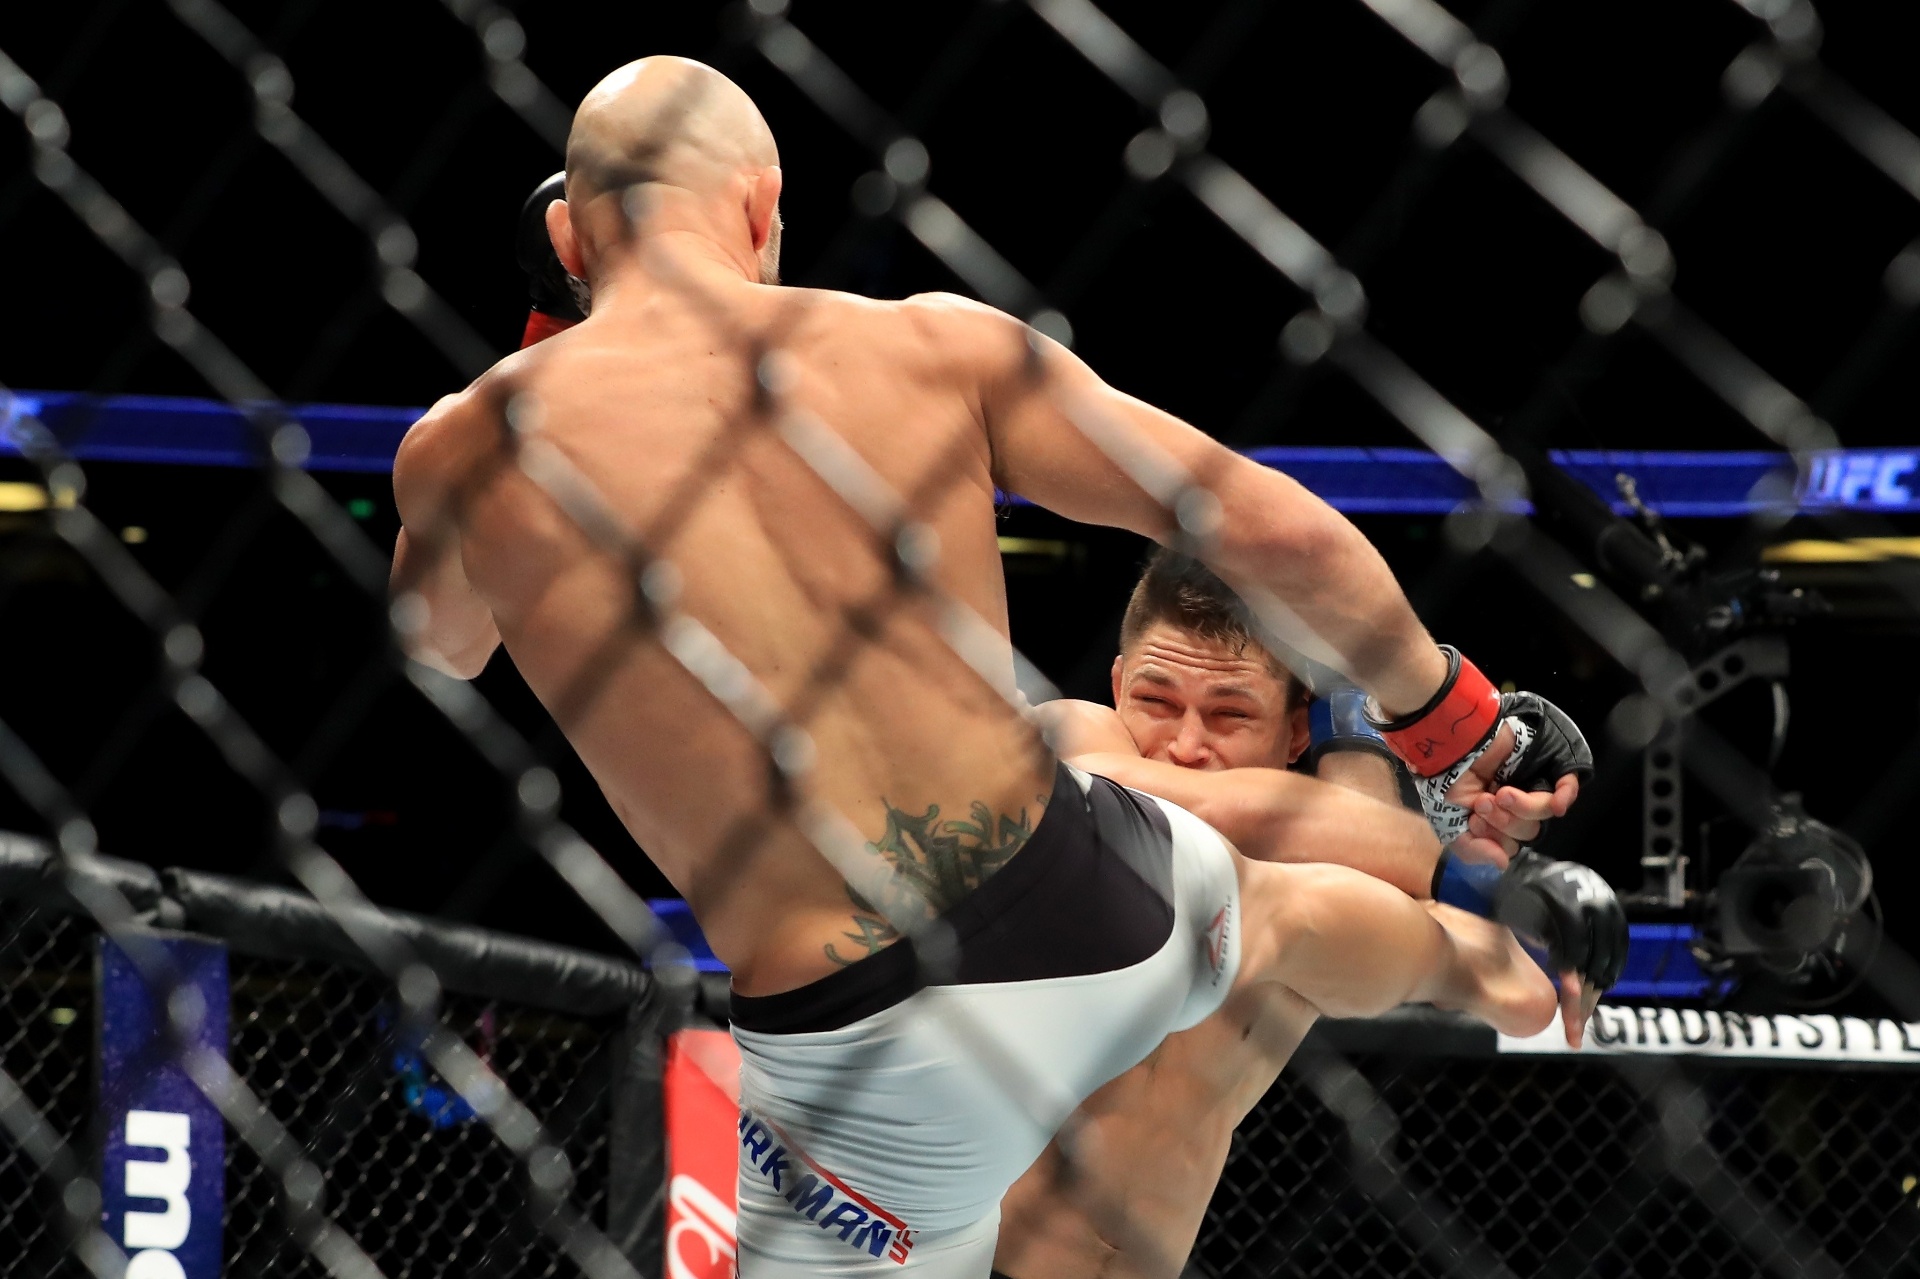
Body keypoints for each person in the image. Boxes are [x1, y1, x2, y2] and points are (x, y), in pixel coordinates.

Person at [398, 56, 1592, 1276]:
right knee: (1265, 913)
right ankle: (1512, 975)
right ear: (760, 210)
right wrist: (1446, 715)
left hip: (866, 1043)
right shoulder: (934, 346)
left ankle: (1500, 963)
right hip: (1089, 892)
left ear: (566, 234)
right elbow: (1268, 527)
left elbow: (445, 647)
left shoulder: (463, 450)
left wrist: (544, 340)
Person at [990, 551, 1625, 1279]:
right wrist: (1457, 861)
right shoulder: (1069, 737)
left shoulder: (1323, 873)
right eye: (1156, 701)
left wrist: (1366, 724)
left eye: (1230, 713)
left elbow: (1520, 997)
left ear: (1298, 733)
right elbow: (1153, 800)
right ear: (1116, 683)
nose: (1186, 745)